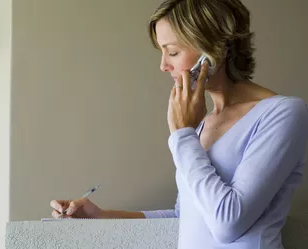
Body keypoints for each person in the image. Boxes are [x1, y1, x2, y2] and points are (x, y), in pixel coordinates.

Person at [50, 0, 308, 248]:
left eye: (172, 52)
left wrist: (183, 135)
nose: (163, 65)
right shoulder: (200, 122)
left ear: (214, 50)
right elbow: (186, 216)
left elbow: (228, 223)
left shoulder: (283, 113)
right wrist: (101, 215)